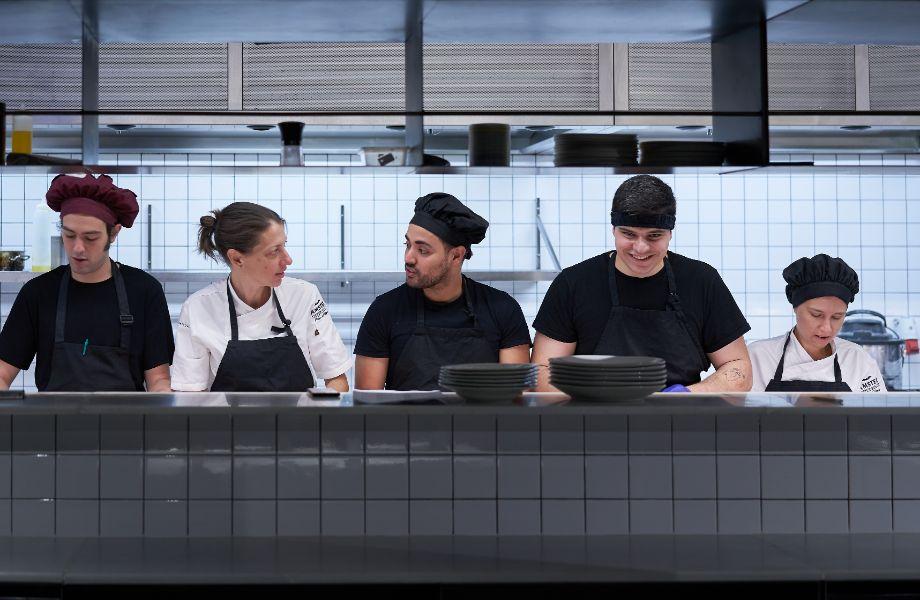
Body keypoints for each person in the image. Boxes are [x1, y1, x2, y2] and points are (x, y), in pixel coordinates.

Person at [531, 174, 752, 392]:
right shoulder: (573, 284)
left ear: (670, 234)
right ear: (613, 229)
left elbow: (739, 367)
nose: (640, 248)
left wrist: (687, 396)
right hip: (593, 412)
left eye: (654, 236)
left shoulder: (701, 281)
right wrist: (593, 399)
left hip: (680, 412)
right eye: (629, 234)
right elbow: (542, 372)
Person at [0, 174, 174, 391]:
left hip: (127, 414)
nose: (78, 248)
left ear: (114, 233)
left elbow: (159, 381)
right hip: (53, 414)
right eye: (69, 235)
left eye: (90, 238)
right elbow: (2, 373)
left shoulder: (144, 291)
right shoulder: (38, 293)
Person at [354, 193, 531, 390]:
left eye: (423, 251)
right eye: (408, 245)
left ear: (456, 256)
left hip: (483, 412)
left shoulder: (502, 309)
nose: (408, 258)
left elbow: (518, 396)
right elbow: (367, 401)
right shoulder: (384, 311)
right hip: (405, 413)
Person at [170, 202, 350, 392]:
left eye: (284, 246)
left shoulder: (304, 296)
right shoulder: (199, 308)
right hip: (226, 413)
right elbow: (188, 395)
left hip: (298, 412)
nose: (288, 260)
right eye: (274, 251)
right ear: (237, 258)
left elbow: (336, 380)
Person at [748, 254, 886, 392]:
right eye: (816, 315)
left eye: (836, 317)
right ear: (795, 307)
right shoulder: (759, 357)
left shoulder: (857, 359)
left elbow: (877, 406)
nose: (826, 328)